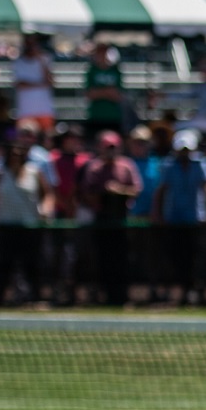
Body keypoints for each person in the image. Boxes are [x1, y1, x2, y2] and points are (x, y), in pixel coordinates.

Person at [152, 128, 206, 307]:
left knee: (195, 257)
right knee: (176, 257)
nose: (185, 153)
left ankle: (194, 291)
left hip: (195, 219)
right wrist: (158, 214)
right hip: (174, 218)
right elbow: (161, 190)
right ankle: (179, 291)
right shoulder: (168, 164)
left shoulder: (201, 164)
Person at [78, 130, 141, 307]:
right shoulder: (94, 167)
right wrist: (105, 192)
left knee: (123, 260)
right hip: (102, 220)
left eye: (113, 147)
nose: (111, 151)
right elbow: (87, 193)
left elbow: (136, 190)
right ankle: (103, 296)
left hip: (122, 221)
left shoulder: (126, 165)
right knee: (102, 260)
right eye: (107, 147)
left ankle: (122, 297)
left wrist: (118, 190)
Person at [0, 138, 49, 306]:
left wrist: (46, 210)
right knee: (4, 265)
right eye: (13, 153)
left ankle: (35, 299)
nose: (16, 156)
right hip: (5, 227)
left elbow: (48, 195)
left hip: (30, 227)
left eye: (20, 153)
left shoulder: (34, 171)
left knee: (32, 264)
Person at [82, 45, 126, 133]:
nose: (102, 55)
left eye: (104, 52)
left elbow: (118, 96)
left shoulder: (115, 70)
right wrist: (107, 91)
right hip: (95, 116)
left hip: (113, 116)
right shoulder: (91, 71)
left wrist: (99, 91)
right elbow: (90, 94)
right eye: (99, 52)